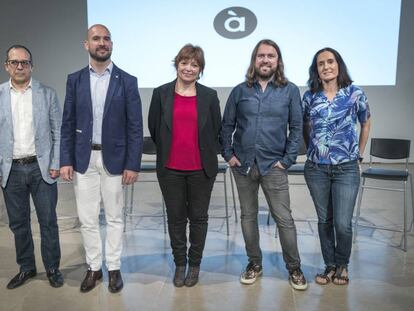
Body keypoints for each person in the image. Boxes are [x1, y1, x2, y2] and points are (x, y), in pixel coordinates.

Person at [60, 24, 143, 293]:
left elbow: (135, 127)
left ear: (112, 44)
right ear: (86, 44)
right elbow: (67, 122)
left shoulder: (127, 81)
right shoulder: (75, 80)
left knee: (116, 217)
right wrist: (65, 160)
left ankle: (114, 268)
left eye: (106, 38)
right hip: (84, 160)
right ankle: (94, 268)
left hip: (115, 161)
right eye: (96, 38)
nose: (102, 43)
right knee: (87, 219)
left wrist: (132, 163)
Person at [220, 39, 307, 290]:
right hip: (243, 165)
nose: (265, 60)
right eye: (261, 56)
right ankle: (254, 263)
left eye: (271, 55)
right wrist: (228, 155)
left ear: (278, 61)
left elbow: (297, 128)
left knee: (284, 219)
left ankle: (294, 268)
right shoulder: (239, 90)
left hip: (273, 166)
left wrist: (287, 160)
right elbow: (227, 125)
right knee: (248, 217)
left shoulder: (289, 91)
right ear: (254, 60)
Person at [148, 44, 221, 287]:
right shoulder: (161, 93)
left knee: (198, 219)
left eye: (195, 65)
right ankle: (180, 263)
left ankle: (195, 264)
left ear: (200, 70)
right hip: (170, 169)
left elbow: (216, 130)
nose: (189, 68)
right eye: (184, 63)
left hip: (201, 169)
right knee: (176, 218)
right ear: (177, 64)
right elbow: (155, 128)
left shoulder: (210, 96)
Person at [303, 47, 371, 285]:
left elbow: (365, 123)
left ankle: (343, 264)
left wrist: (359, 155)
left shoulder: (355, 93)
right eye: (321, 63)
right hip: (316, 169)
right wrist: (312, 149)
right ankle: (330, 265)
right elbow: (305, 127)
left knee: (342, 223)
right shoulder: (310, 96)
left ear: (338, 64)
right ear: (316, 69)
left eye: (330, 61)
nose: (326, 67)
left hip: (346, 168)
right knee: (324, 221)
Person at [0, 45, 63, 289]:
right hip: (11, 170)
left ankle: (52, 267)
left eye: (24, 62)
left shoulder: (47, 94)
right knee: (18, 223)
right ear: (7, 66)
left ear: (32, 66)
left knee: (48, 220)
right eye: (14, 62)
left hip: (41, 168)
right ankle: (26, 267)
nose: (19, 66)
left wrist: (56, 162)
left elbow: (58, 131)